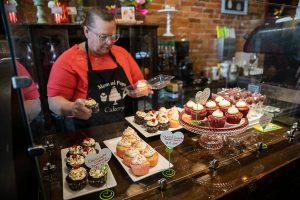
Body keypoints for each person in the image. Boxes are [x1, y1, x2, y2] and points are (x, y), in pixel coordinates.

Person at [47, 7, 150, 130]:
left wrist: (141, 89)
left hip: (125, 131)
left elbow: (139, 83)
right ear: (86, 31)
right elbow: (53, 101)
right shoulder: (68, 61)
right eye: (103, 36)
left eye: (113, 36)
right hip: (87, 135)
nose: (109, 42)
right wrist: (72, 108)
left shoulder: (122, 54)